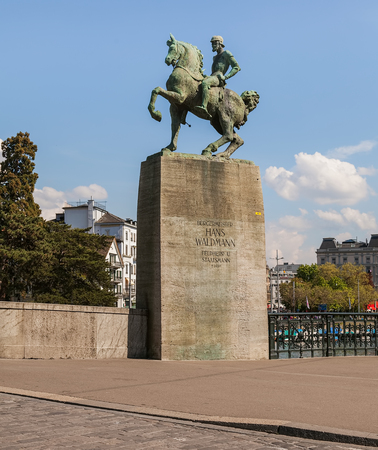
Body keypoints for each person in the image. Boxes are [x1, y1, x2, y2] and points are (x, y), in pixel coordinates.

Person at [194, 36, 241, 120]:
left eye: (214, 43)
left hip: (218, 78)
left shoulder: (226, 53)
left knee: (205, 83)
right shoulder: (214, 58)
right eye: (212, 43)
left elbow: (236, 67)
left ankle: (204, 106)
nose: (212, 45)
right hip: (212, 76)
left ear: (220, 43)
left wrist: (225, 77)